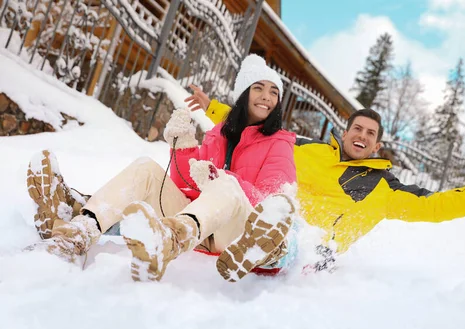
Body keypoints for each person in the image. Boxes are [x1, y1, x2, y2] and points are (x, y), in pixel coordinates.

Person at [186, 90, 465, 272]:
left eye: (370, 133)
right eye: (357, 128)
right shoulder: (309, 149)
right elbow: (261, 134)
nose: (362, 135)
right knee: (232, 192)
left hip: (304, 252)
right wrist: (214, 109)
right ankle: (174, 230)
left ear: (377, 144)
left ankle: (252, 252)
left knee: (289, 237)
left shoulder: (384, 189)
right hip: (263, 220)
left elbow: (438, 206)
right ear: (345, 132)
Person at [26, 54, 297, 282]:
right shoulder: (219, 133)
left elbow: (273, 202)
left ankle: (168, 241)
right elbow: (184, 184)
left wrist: (220, 178)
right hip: (196, 227)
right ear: (244, 93)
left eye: (274, 92)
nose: (267, 97)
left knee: (225, 184)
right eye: (259, 88)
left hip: (236, 234)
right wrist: (182, 147)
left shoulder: (280, 142)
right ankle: (78, 233)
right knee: (146, 167)